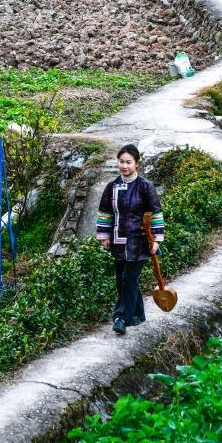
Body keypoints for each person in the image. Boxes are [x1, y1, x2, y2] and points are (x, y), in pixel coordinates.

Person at [96, 144, 165, 336]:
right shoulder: (111, 187)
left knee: (129, 278)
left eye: (128, 162)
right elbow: (105, 212)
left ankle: (121, 318)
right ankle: (137, 314)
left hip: (140, 242)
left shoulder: (145, 186)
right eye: (121, 162)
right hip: (119, 240)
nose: (124, 166)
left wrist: (157, 240)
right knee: (122, 280)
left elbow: (155, 212)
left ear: (136, 164)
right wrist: (104, 236)